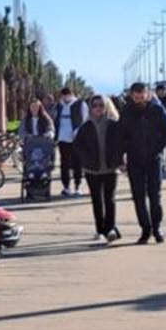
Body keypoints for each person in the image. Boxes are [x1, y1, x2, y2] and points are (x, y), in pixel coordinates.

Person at [120, 80, 166, 243]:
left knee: (155, 195)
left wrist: (157, 149)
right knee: (138, 196)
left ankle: (157, 227)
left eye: (142, 96)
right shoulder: (126, 112)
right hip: (134, 159)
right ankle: (145, 229)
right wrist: (120, 157)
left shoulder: (157, 111)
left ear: (147, 94)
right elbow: (120, 136)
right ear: (132, 96)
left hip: (153, 159)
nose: (139, 99)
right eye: (136, 97)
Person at [73, 92, 124, 243]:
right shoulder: (85, 127)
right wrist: (85, 160)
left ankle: (110, 229)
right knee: (97, 200)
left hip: (110, 169)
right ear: (90, 108)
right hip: (92, 170)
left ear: (106, 106)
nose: (98, 108)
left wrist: (120, 161)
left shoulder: (114, 125)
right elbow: (77, 146)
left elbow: (120, 146)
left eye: (101, 105)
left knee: (110, 200)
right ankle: (100, 229)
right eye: (94, 106)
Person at [53, 88, 84, 192]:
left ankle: (78, 185)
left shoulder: (80, 104)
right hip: (62, 138)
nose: (65, 98)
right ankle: (66, 186)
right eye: (63, 96)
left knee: (77, 162)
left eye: (67, 95)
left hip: (76, 138)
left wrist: (78, 132)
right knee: (64, 163)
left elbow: (84, 120)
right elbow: (56, 120)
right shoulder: (59, 106)